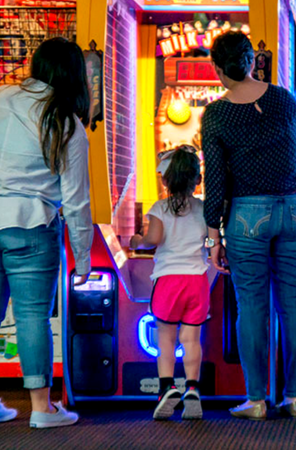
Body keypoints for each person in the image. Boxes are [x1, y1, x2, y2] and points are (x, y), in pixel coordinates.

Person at [202, 31, 296, 421]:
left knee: (253, 306)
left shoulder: (217, 114)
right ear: (252, 62)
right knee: (293, 303)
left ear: (218, 68)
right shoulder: (284, 99)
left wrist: (213, 237)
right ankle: (294, 397)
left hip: (247, 216)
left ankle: (256, 399)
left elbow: (215, 181)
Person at [0, 37, 92, 429]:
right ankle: (42, 408)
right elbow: (76, 200)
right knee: (32, 316)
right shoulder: (67, 122)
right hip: (29, 223)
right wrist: (83, 259)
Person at [129, 146, 209, 421]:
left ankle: (167, 388)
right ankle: (193, 389)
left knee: (165, 338)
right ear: (197, 179)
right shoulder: (203, 209)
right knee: (191, 339)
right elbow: (210, 239)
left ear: (165, 181)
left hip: (168, 281)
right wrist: (213, 245)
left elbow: (153, 240)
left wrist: (137, 241)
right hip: (197, 281)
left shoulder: (160, 209)